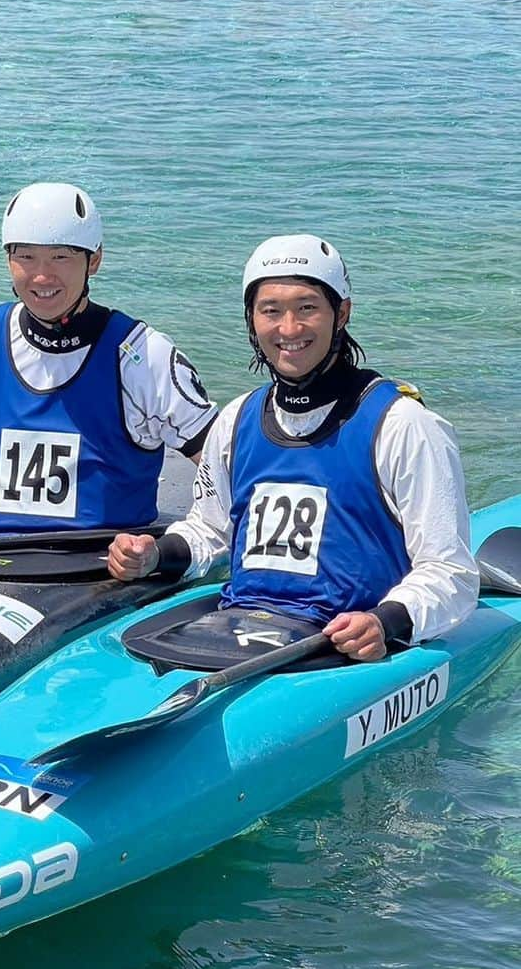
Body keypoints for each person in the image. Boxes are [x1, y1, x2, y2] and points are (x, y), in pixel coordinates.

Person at [108, 234, 479, 661]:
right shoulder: (236, 419)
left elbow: (450, 572)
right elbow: (210, 530)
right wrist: (155, 554)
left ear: (342, 313)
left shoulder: (404, 425)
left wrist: (387, 621)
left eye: (307, 308)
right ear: (251, 319)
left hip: (346, 643)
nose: (288, 329)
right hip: (245, 626)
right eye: (271, 311)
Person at [0, 182, 217, 532]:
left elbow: (225, 468)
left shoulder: (143, 356)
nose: (42, 275)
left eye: (61, 256)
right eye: (26, 256)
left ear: (94, 260)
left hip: (105, 566)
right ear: (8, 259)